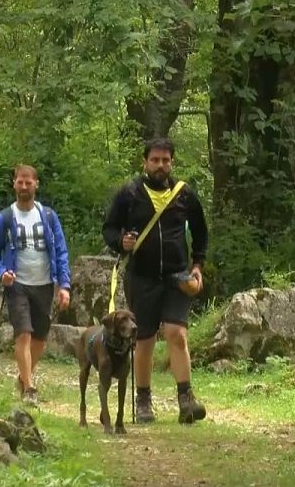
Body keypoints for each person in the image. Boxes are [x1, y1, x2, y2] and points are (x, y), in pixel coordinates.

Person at [102, 138, 209, 424]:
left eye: (166, 160)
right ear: (145, 162)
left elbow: (201, 234)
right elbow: (109, 229)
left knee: (177, 333)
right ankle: (143, 400)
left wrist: (197, 267)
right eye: (155, 160)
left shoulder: (184, 194)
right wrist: (121, 242)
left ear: (172, 162)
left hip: (177, 278)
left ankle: (186, 399)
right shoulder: (129, 193)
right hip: (141, 277)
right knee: (145, 339)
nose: (161, 165)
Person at [0, 164, 71, 404]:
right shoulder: (5, 218)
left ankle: (24, 378)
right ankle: (30, 388)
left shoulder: (49, 217)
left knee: (40, 338)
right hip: (17, 285)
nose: (23, 186)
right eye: (20, 182)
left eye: (28, 182)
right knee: (23, 334)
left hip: (44, 284)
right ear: (14, 184)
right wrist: (2, 273)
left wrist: (64, 285)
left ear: (36, 184)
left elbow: (61, 251)